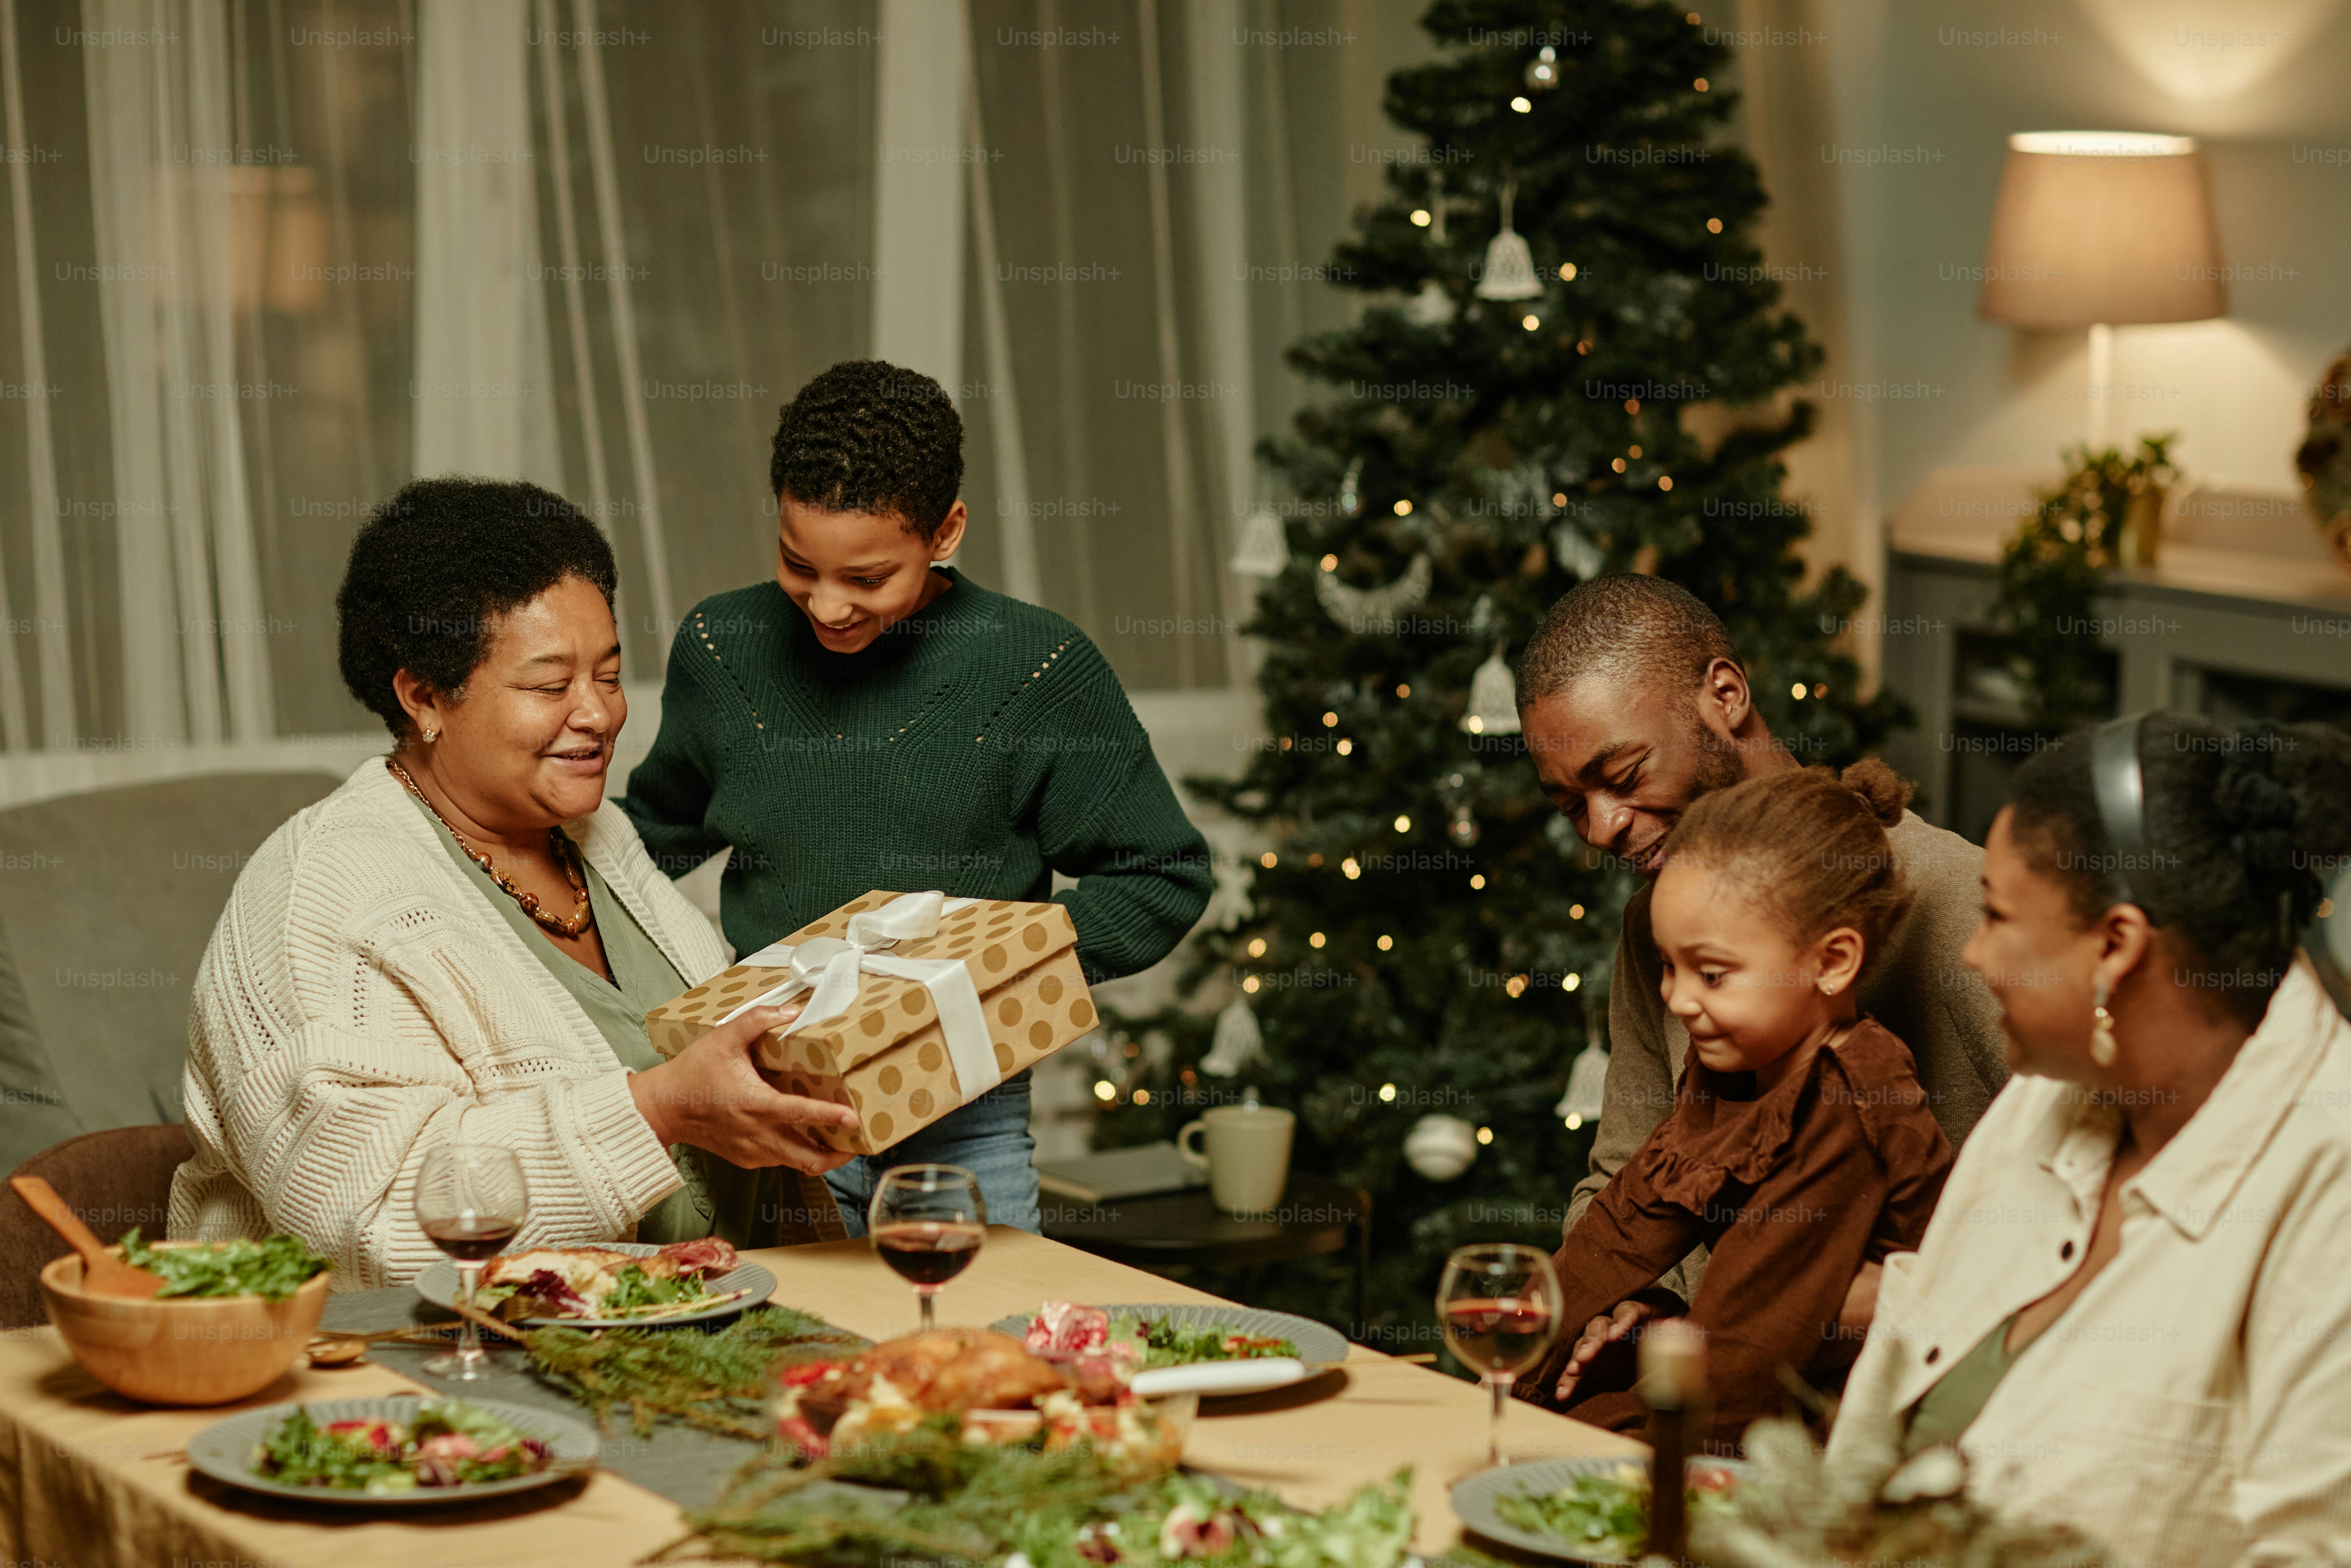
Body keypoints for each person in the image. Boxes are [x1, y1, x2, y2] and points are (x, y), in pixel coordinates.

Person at [172, 478, 859, 1287]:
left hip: (711, 1328)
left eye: (608, 674)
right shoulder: (315, 896)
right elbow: (381, 1228)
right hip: (422, 1371)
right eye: (549, 685)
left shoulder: (597, 837)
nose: (598, 714)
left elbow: (712, 1050)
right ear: (425, 697)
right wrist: (658, 1108)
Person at [618, 361, 1213, 1235]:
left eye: (866, 579)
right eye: (796, 564)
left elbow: (1161, 873)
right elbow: (639, 843)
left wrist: (1001, 972)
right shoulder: (724, 646)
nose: (826, 606)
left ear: (946, 531)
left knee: (978, 1346)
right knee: (791, 1355)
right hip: (772, 1103)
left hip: (962, 1116)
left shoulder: (1036, 669)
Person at [1827, 713, 2351, 1568]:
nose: (1971, 953)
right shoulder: (2047, 1088)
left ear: (2115, 945)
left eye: (1997, 916)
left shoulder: (2326, 1180)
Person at [1516, 575, 2004, 1358]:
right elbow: (1623, 1175)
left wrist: (1842, 1302)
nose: (1601, 827)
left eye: (1624, 774)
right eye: (1570, 804)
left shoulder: (1956, 903)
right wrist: (1634, 1300)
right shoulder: (1658, 922)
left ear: (1725, 693)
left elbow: (2102, 1196)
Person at [1520, 761, 1953, 1451]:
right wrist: (1520, 1359)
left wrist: (1550, 1440)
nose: (1678, 999)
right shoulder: (1734, 1056)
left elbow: (1738, 1366)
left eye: (1712, 973)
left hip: (1848, 1435)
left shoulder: (1846, 1095)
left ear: (1833, 962)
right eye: (1668, 964)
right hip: (1751, 1381)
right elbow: (1626, 1225)